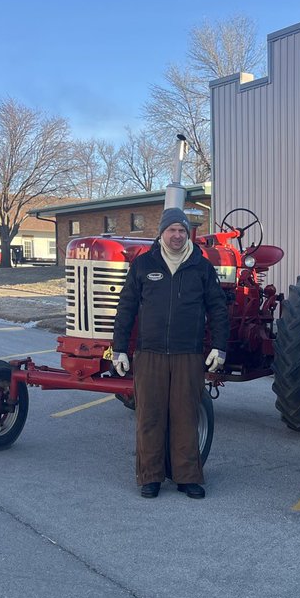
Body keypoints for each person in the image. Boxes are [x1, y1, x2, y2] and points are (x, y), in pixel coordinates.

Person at [111, 207, 229, 500]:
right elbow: (125, 309)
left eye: (181, 230)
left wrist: (220, 346)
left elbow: (218, 309)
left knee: (185, 416)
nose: (177, 235)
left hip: (188, 354)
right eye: (171, 230)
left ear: (187, 233)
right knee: (149, 416)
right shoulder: (143, 265)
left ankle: (187, 477)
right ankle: (150, 477)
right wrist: (119, 350)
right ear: (161, 233)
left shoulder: (200, 267)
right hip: (149, 354)